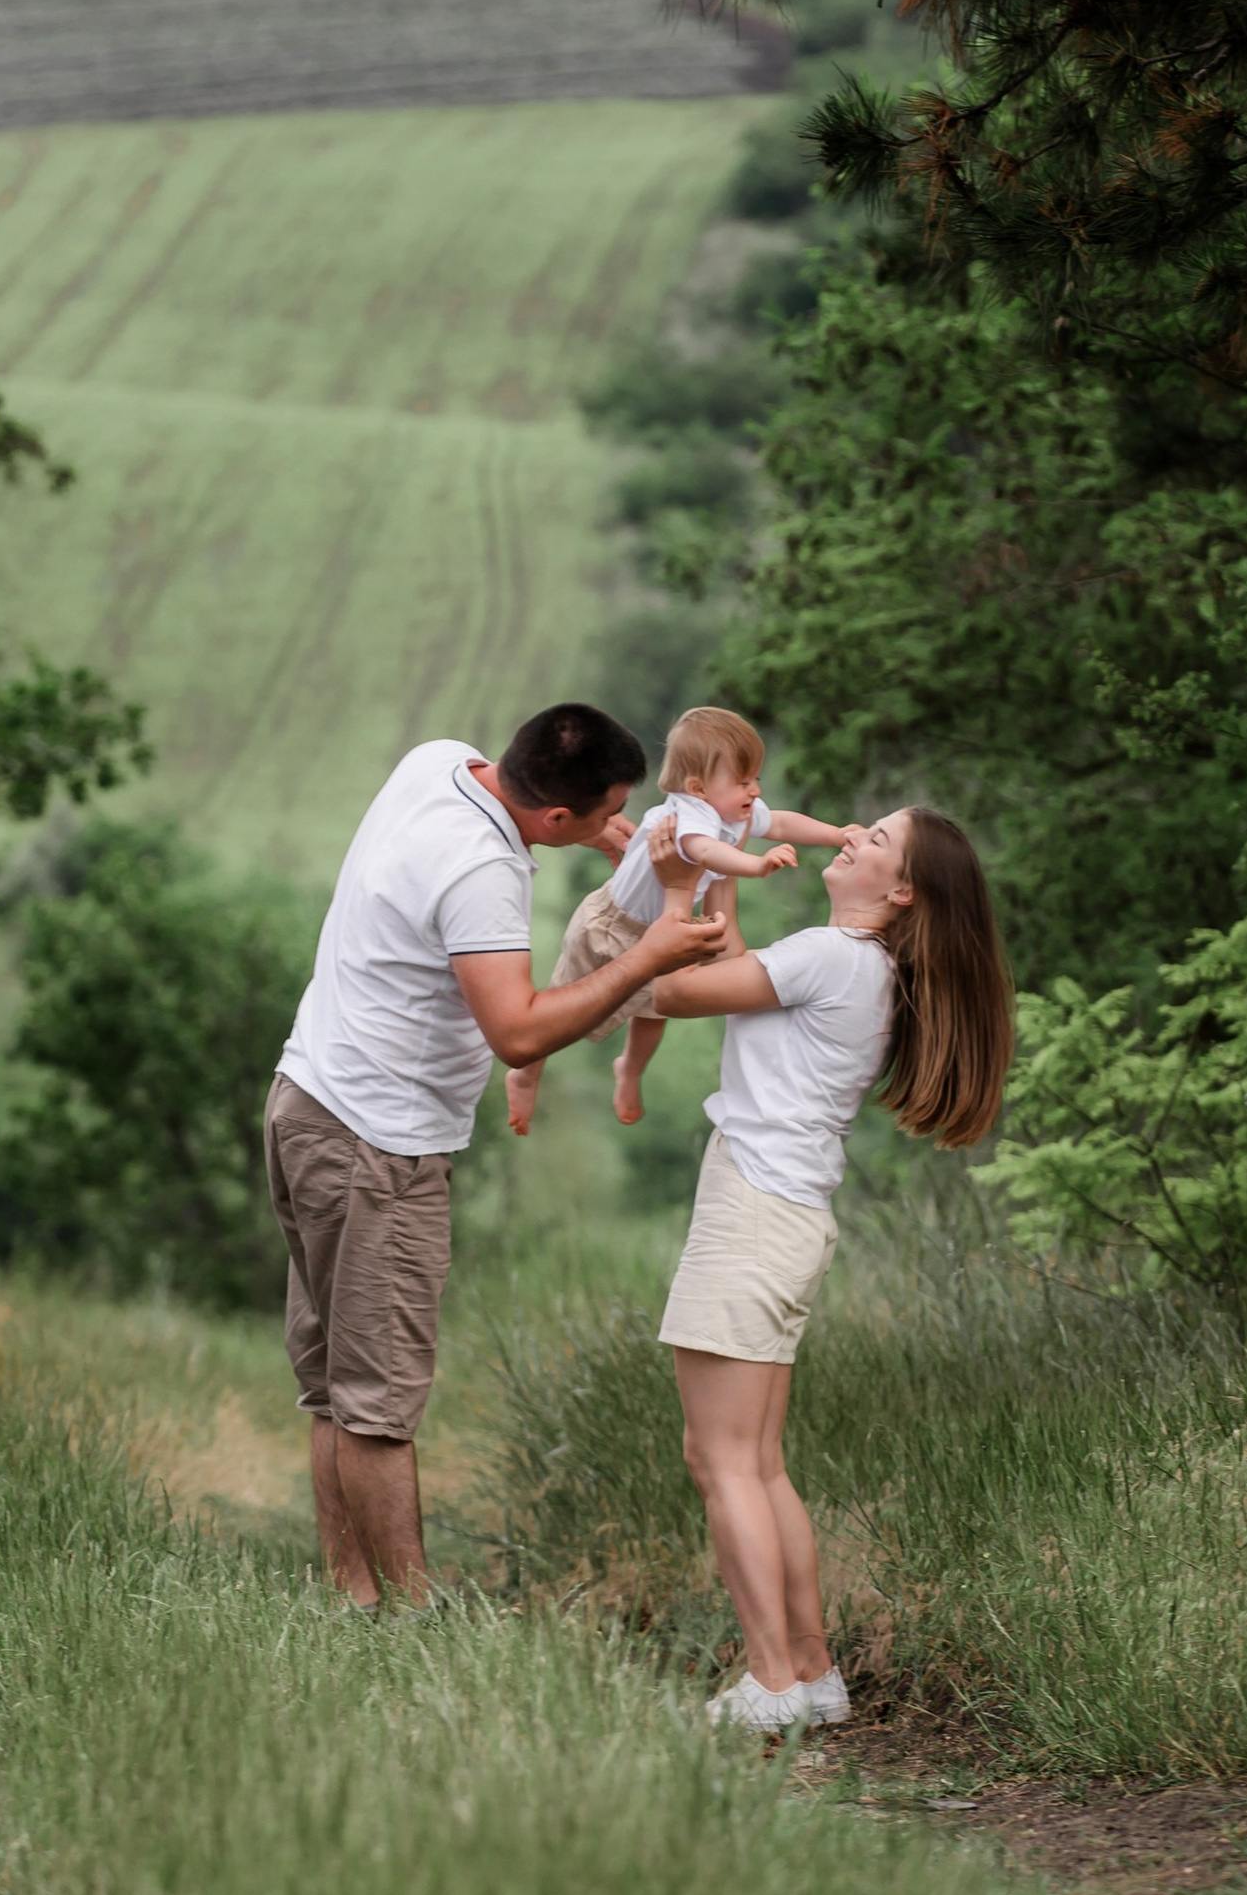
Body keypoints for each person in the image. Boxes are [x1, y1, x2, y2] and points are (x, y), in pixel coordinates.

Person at [265, 704, 724, 1607]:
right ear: (554, 816)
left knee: (335, 1388)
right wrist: (649, 956)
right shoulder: (483, 869)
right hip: (378, 1149)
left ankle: (354, 1600)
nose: (618, 826)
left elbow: (535, 809)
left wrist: (606, 840)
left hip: (309, 1100)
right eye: (607, 813)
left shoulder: (437, 761)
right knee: (379, 1404)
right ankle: (414, 1621)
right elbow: (516, 1032)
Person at [644, 804, 1014, 1732]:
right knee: (758, 1463)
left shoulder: (829, 954)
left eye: (875, 839)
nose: (849, 835)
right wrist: (720, 888)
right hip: (789, 1214)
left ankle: (770, 1681)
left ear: (903, 891)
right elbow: (737, 981)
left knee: (721, 1459)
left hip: (751, 1210)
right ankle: (810, 1672)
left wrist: (680, 887)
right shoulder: (864, 968)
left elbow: (672, 992)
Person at [505, 704, 853, 1137]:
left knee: (656, 1010)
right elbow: (706, 852)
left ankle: (629, 1070)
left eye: (756, 778)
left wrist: (837, 834)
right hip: (614, 925)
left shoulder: (732, 812)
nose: (755, 791)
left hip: (665, 931)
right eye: (743, 781)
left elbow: (781, 823)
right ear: (697, 788)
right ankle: (527, 1071)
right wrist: (756, 864)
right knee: (566, 1004)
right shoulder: (689, 816)